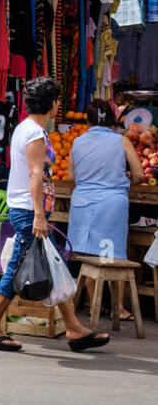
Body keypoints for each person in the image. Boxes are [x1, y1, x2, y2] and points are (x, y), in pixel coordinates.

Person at [0, 77, 110, 352]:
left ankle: (74, 329)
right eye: (57, 100)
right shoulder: (35, 133)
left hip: (26, 207)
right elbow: (35, 174)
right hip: (28, 210)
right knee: (17, 268)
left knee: (53, 263)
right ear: (50, 103)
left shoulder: (24, 128)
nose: (58, 104)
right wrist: (39, 214)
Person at [67, 98, 144, 321]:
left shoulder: (78, 142)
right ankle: (118, 308)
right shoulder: (121, 141)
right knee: (112, 256)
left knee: (90, 255)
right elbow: (139, 175)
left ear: (88, 119)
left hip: (82, 203)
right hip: (112, 204)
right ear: (111, 119)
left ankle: (94, 304)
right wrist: (121, 186)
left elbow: (71, 177)